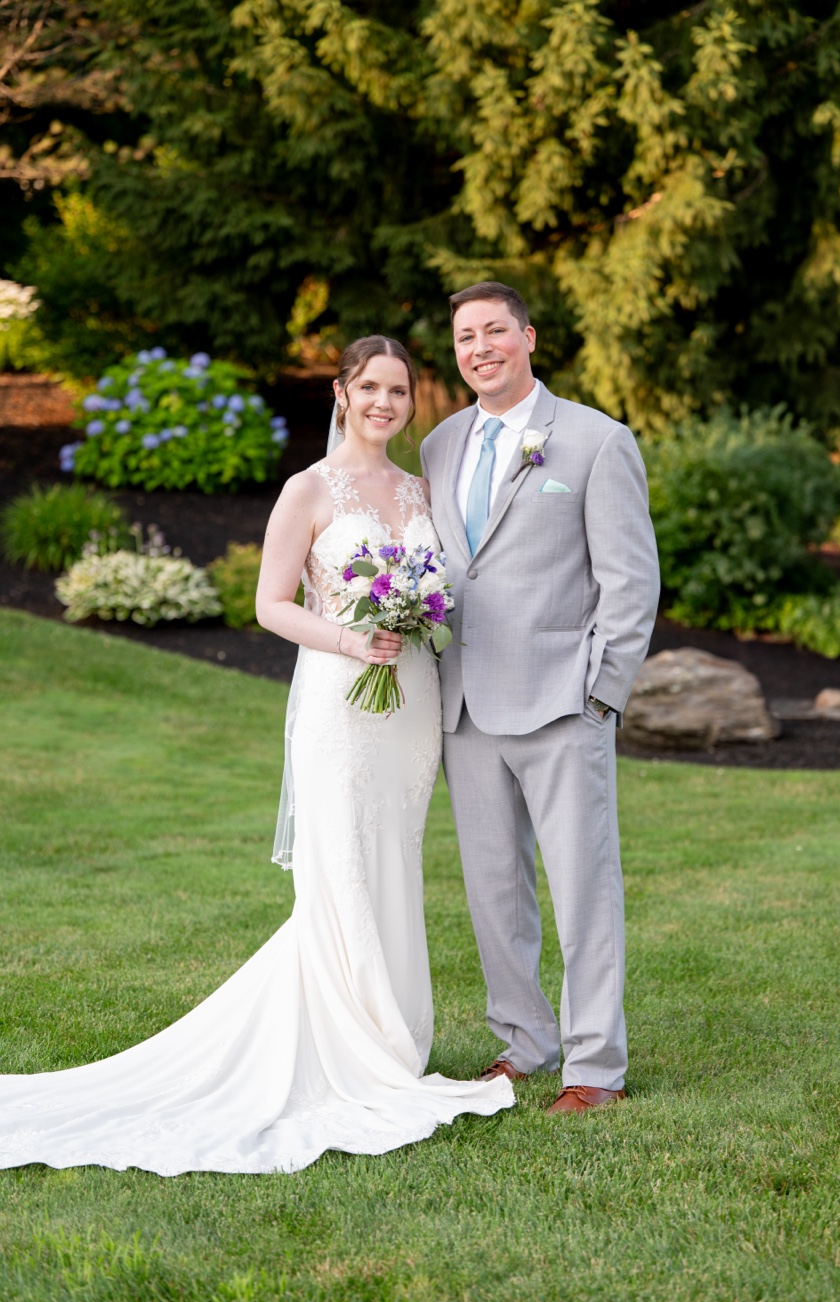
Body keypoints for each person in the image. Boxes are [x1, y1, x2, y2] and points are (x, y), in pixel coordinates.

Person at [0, 335, 514, 1175]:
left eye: (399, 389)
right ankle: (355, 1045)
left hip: (410, 704)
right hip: (339, 703)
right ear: (342, 393)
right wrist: (351, 638)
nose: (385, 402)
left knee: (394, 858)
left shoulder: (423, 489)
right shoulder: (307, 489)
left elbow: (447, 587)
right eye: (370, 387)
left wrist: (416, 618)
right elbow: (270, 603)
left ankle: (394, 1034)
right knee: (342, 863)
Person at [418, 282, 659, 1114]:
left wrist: (601, 693)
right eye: (463, 337)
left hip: (563, 701)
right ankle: (523, 1042)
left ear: (528, 337)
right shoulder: (441, 445)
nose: (478, 346)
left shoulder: (595, 440)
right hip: (466, 707)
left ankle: (596, 1068)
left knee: (584, 886)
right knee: (493, 886)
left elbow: (630, 582)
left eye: (493, 331)